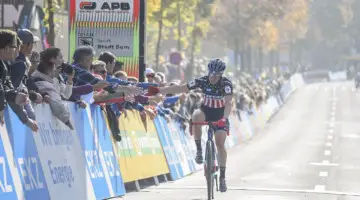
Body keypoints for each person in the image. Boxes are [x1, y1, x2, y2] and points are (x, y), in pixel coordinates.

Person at [151, 58, 233, 192]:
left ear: (221, 74)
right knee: (195, 116)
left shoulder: (226, 84)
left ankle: (223, 178)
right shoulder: (202, 80)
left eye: (216, 75)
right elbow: (181, 87)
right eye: (211, 74)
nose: (212, 77)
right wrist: (161, 90)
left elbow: (229, 103)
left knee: (220, 144)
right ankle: (199, 150)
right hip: (206, 111)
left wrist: (224, 118)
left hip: (220, 114)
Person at [0, 30, 30, 125]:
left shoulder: (3, 65)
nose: (17, 50)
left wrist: (15, 96)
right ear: (7, 48)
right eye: (15, 47)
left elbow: (5, 87)